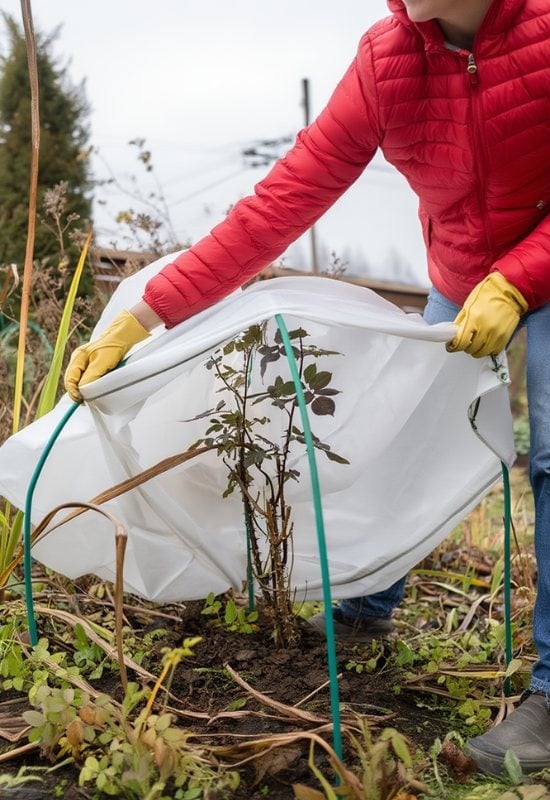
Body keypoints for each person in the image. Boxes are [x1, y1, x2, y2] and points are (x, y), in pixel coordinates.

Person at [65, 0, 550, 776]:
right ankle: (364, 616)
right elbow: (281, 203)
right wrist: (145, 319)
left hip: (540, 261)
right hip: (464, 278)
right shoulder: (389, 60)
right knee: (405, 439)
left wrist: (523, 280)